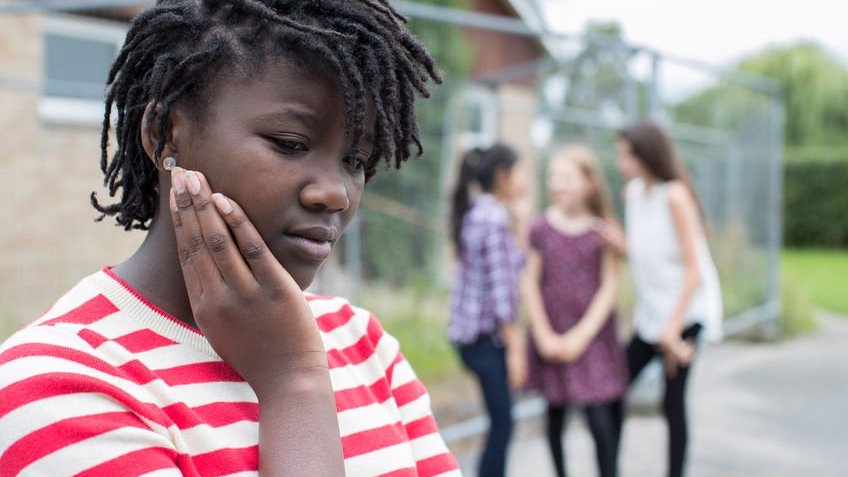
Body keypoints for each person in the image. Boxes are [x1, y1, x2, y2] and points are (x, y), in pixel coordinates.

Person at [0, 1, 460, 476]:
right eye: (291, 143)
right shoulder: (59, 385)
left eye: (356, 161)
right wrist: (292, 383)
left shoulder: (361, 342)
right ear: (164, 135)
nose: (336, 194)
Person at [613, 121, 723, 477]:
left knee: (673, 403)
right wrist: (618, 245)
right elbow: (649, 254)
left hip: (685, 312)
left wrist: (673, 332)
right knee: (614, 390)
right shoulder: (633, 194)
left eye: (627, 155)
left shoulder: (675, 195)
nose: (621, 163)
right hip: (652, 316)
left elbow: (694, 269)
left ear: (648, 154)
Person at [521, 145, 628, 477]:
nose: (557, 184)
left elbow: (610, 287)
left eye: (566, 177)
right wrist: (544, 337)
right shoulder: (540, 228)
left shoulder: (602, 232)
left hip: (592, 339)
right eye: (553, 177)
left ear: (589, 183)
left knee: (600, 417)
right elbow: (529, 283)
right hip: (551, 335)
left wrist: (580, 338)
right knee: (555, 414)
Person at [448, 144, 527, 477]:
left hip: (471, 337)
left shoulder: (480, 211)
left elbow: (514, 266)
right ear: (502, 174)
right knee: (503, 424)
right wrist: (515, 349)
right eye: (520, 171)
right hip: (485, 341)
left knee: (501, 421)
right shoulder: (493, 217)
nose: (525, 179)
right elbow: (501, 291)